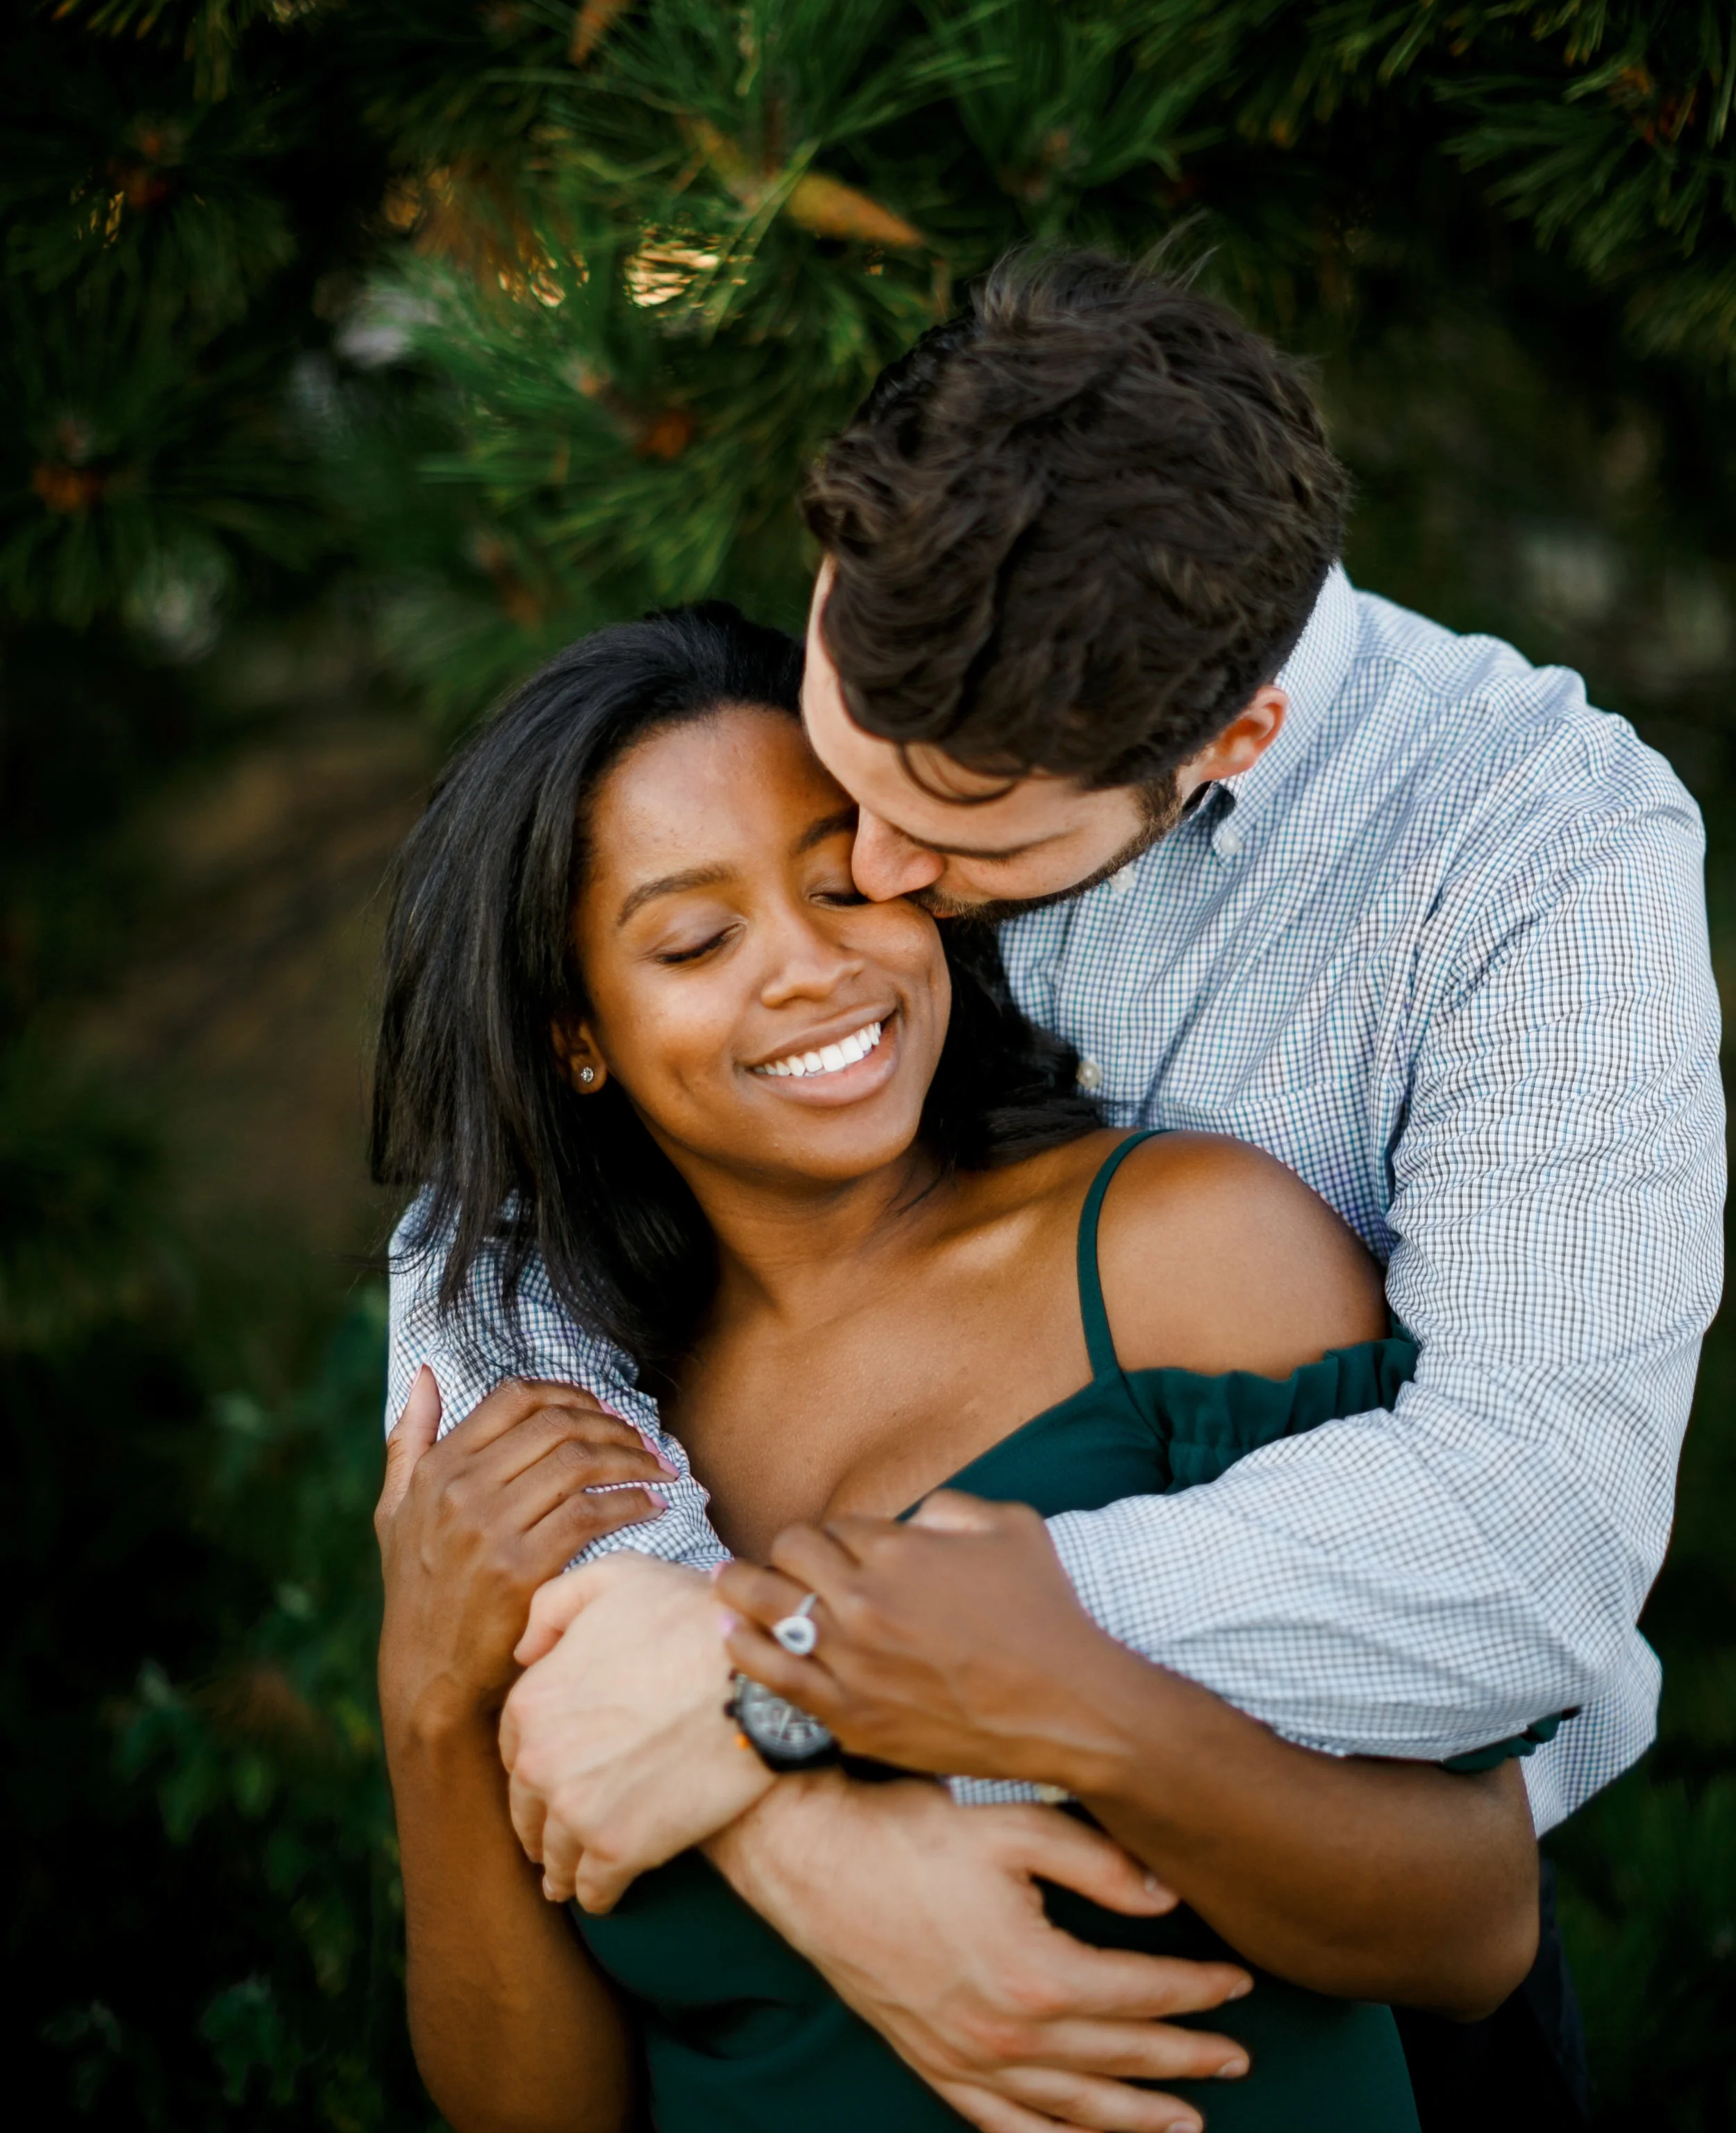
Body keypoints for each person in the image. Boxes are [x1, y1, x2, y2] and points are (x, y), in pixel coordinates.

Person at [387, 251, 1724, 2130]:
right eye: (844, 749)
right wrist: (797, 1835)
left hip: (1324, 1943)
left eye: (938, 842)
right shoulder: (932, 612)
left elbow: (1520, 1554)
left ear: (1221, 746)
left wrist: (793, 1679)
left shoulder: (1532, 854)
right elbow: (492, 1243)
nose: (864, 863)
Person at [372, 600, 1543, 2133]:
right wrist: (425, 1704)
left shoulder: (1183, 1258)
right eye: (695, 939)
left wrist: (1037, 1699)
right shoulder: (558, 1454)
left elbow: (1468, 1927)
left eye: (840, 877)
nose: (807, 968)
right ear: (575, 1034)